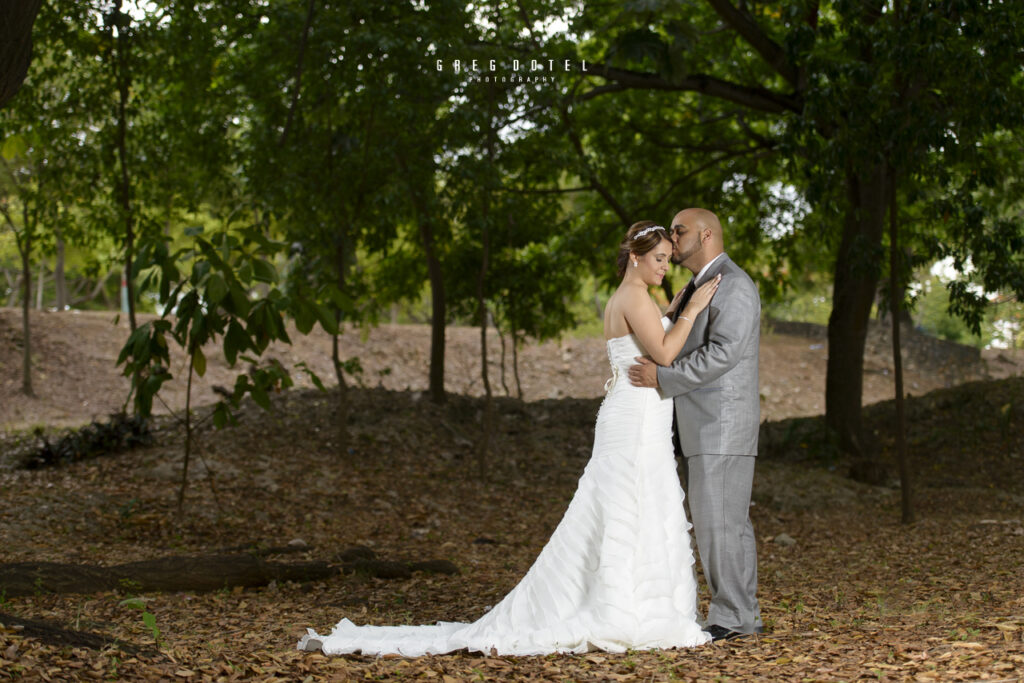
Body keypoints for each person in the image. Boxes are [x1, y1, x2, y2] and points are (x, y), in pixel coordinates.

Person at [297, 220, 720, 656]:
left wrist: (678, 307)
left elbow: (657, 333)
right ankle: (620, 608)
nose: (664, 269)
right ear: (636, 256)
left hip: (634, 411)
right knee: (627, 504)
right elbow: (666, 352)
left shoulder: (632, 297)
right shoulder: (635, 297)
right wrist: (694, 307)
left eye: (668, 261)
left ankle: (631, 605)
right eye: (659, 260)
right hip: (634, 416)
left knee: (631, 504)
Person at [628, 208, 763, 641]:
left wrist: (663, 377)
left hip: (721, 423)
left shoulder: (734, 285)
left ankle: (733, 619)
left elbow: (723, 354)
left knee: (721, 524)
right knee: (725, 523)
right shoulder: (698, 285)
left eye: (679, 230)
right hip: (705, 423)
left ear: (705, 235)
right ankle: (742, 615)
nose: (672, 237)